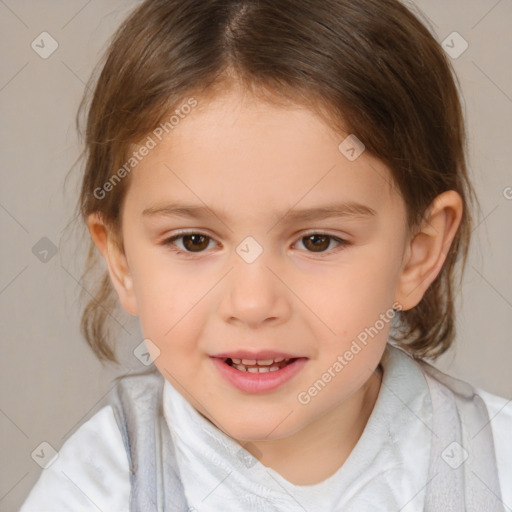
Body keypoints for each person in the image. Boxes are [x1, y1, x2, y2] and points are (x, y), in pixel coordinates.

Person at [20, 0, 511, 510]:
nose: (253, 304)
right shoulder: (95, 488)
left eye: (317, 241)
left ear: (416, 254)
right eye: (194, 241)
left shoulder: (495, 466)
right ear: (121, 260)